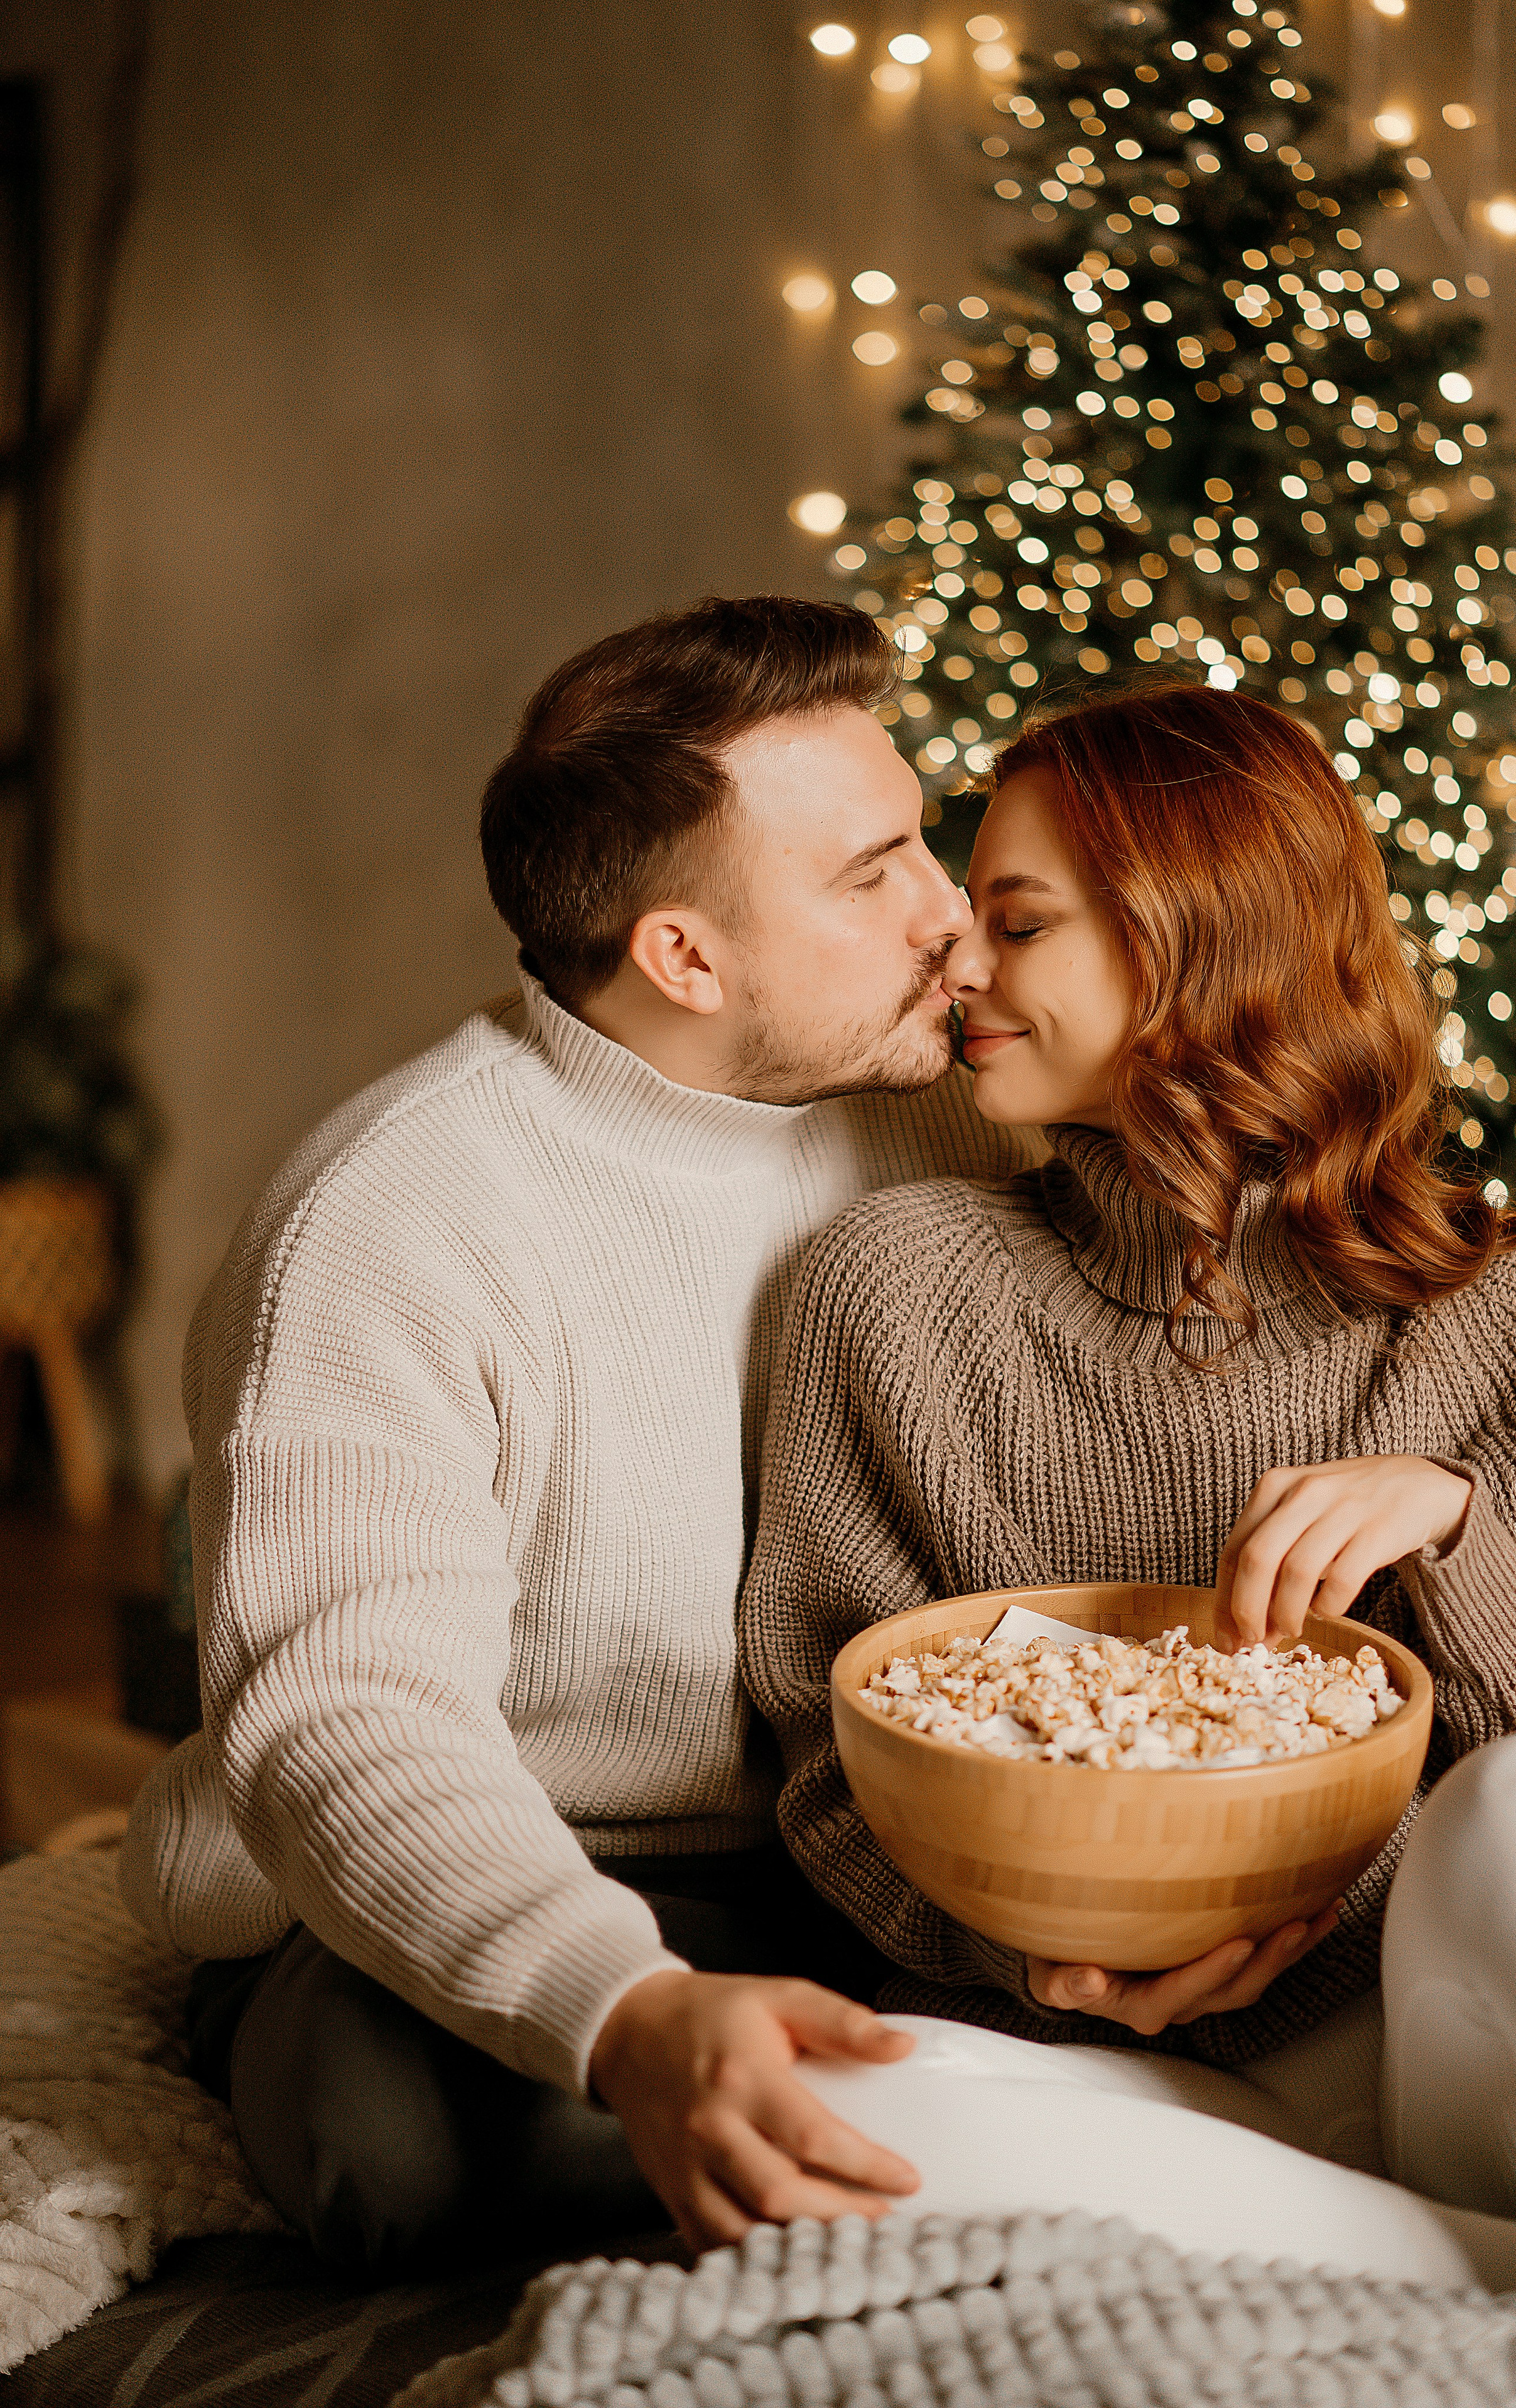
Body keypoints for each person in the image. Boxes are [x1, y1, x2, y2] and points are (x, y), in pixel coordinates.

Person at [118, 595, 1044, 2273]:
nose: (952, 912)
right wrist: (625, 2010)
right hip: (493, 1853)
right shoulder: (390, 1218)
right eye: (874, 872)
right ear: (683, 955)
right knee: (394, 2152)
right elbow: (347, 1720)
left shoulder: (961, 1124)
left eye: (931, 838)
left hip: (864, 1848)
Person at [740, 681, 1516, 2306]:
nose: (962, 967)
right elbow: (826, 1765)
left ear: (1193, 933)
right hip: (1130, 2076)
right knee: (811, 2114)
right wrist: (1039, 1959)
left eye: (1019, 920)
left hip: (1462, 2046)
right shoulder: (892, 1289)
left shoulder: (1511, 1300)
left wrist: (1455, 1533)